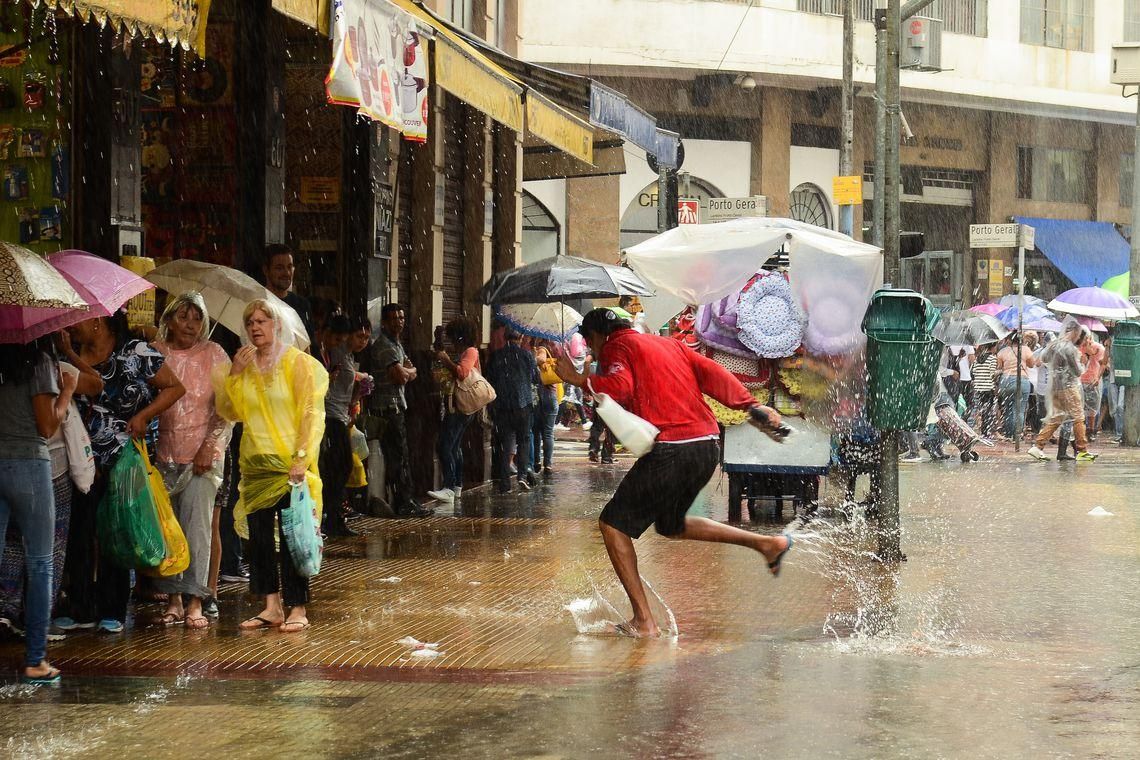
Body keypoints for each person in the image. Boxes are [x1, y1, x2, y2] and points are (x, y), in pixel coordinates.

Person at [556, 308, 792, 638]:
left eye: (591, 345)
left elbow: (619, 388)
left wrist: (580, 379)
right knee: (671, 524)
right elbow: (712, 373)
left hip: (673, 447)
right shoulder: (668, 343)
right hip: (707, 445)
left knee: (612, 525)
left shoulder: (616, 347)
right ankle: (767, 544)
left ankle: (644, 621)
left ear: (598, 336)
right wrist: (750, 406)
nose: (593, 352)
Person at [56, 313, 185, 634]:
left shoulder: (136, 351)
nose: (73, 326)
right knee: (81, 532)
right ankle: (81, 606)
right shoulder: (71, 354)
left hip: (123, 456)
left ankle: (113, 607)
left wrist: (144, 416)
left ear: (99, 322)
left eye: (79, 320)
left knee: (117, 527)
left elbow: (173, 387)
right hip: (80, 459)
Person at [215, 299, 329, 632]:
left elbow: (311, 413)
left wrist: (301, 457)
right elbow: (233, 413)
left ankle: (298, 608)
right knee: (260, 539)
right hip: (256, 463)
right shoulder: (245, 365)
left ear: (276, 326)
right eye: (250, 322)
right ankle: (270, 606)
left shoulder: (297, 364)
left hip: (290, 465)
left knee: (294, 536)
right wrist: (234, 376)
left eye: (263, 321)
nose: (255, 327)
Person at [0, 333, 101, 641]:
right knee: (47, 556)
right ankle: (37, 641)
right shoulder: (46, 366)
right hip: (40, 468)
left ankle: (6, 610)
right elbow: (49, 425)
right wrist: (67, 389)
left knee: (10, 546)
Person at [152, 293, 232, 629]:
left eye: (197, 318)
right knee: (169, 531)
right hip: (162, 454)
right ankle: (173, 599)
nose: (190, 325)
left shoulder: (214, 354)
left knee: (198, 529)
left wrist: (209, 447)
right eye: (183, 317)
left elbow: (228, 410)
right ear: (169, 320)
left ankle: (196, 600)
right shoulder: (156, 351)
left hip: (202, 457)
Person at [0, 339, 77, 683]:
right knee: (41, 562)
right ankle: (35, 661)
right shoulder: (39, 360)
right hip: (29, 465)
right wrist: (67, 392)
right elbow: (47, 427)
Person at [370, 304, 431, 517]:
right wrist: (407, 371)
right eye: (394, 318)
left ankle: (407, 500)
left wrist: (407, 370)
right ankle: (403, 503)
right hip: (387, 409)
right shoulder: (384, 346)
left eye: (402, 317)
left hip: (397, 406)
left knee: (403, 455)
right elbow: (401, 376)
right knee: (397, 456)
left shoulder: (397, 344)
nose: (399, 322)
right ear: (385, 322)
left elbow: (410, 371)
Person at [427, 317, 480, 504]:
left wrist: (446, 359)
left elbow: (462, 373)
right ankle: (457, 485)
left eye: (453, 337)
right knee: (454, 446)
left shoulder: (470, 352)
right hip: (460, 407)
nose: (451, 341)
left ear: (460, 336)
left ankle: (449, 487)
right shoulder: (466, 351)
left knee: (444, 446)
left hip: (461, 408)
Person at [1028, 322, 1098, 462]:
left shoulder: (1054, 345)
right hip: (1069, 387)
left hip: (1055, 387)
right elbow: (1077, 371)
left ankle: (1038, 446)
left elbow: (1045, 359)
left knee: (1058, 418)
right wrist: (1082, 362)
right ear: (1075, 333)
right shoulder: (1070, 349)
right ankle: (1082, 450)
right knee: (1078, 417)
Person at [318, 314, 359, 537]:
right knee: (338, 467)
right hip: (330, 415)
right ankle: (331, 517)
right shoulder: (329, 352)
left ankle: (334, 516)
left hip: (339, 414)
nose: (339, 343)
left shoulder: (338, 353)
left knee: (341, 467)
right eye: (338, 339)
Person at [485, 329, 539, 494]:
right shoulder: (526, 355)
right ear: (521, 337)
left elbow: (489, 378)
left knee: (505, 443)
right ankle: (522, 476)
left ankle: (504, 483)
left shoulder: (496, 355)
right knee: (523, 441)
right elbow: (536, 378)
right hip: (523, 405)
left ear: (505, 338)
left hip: (502, 406)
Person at [263, 243, 316, 347]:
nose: (286, 273)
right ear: (266, 270)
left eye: (289, 267)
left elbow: (310, 344)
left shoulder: (302, 305)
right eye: (279, 268)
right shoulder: (257, 304)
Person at [996, 334, 1035, 440]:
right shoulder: (1026, 350)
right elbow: (1032, 364)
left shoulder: (1002, 352)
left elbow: (999, 367)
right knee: (1020, 409)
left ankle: (1009, 434)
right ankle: (1017, 435)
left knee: (1008, 409)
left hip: (1006, 380)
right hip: (1022, 380)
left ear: (1009, 340)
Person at [532, 343, 563, 475]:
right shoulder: (558, 351)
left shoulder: (542, 349)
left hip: (541, 396)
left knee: (537, 431)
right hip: (552, 395)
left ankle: (537, 461)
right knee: (548, 432)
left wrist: (532, 357)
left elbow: (541, 359)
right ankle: (548, 464)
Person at [1079, 332, 1106, 441]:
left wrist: (1098, 377)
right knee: (1081, 407)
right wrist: (1085, 352)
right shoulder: (1079, 347)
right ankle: (1082, 430)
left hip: (1093, 380)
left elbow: (1103, 364)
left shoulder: (1099, 348)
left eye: (1088, 338)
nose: (1086, 341)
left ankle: (1090, 431)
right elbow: (1081, 363)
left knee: (1092, 409)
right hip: (1081, 380)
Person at [970, 345, 998, 437]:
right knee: (988, 411)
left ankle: (981, 430)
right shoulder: (992, 358)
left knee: (981, 409)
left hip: (978, 388)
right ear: (993, 347)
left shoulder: (977, 358)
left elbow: (973, 372)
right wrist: (1001, 371)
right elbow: (992, 374)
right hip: (988, 388)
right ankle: (986, 432)